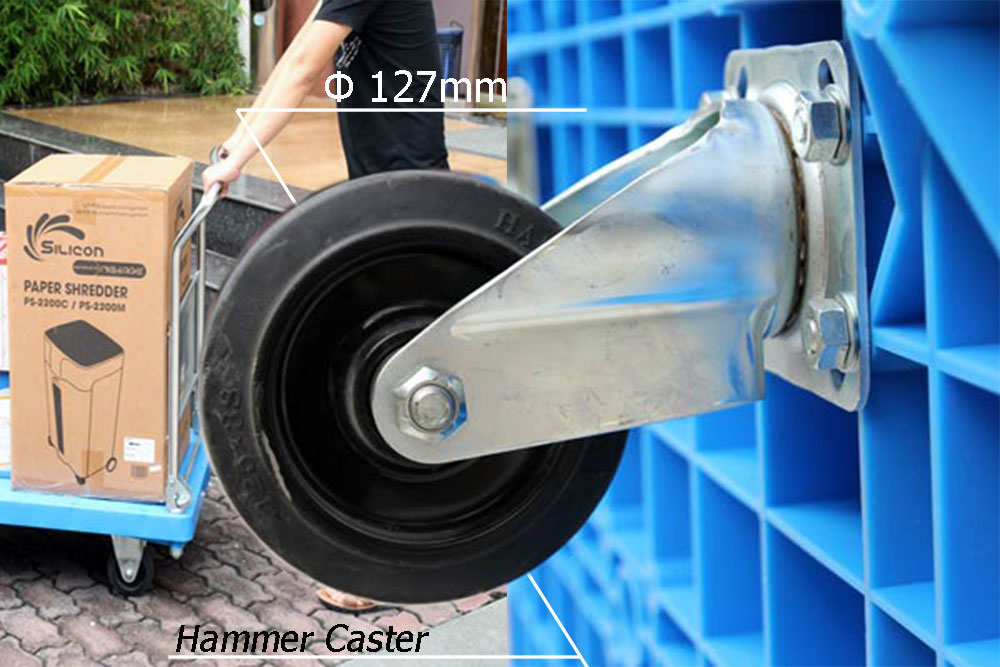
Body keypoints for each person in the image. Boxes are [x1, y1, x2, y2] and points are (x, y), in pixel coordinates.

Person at [204, 0, 451, 612]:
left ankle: (382, 570)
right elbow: (295, 55)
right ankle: (440, 549)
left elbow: (303, 70)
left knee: (389, 387)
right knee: (387, 380)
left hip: (410, 203)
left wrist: (238, 159)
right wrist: (232, 145)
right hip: (388, 197)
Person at [202, 0, 449, 193]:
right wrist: (238, 138)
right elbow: (295, 56)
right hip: (379, 176)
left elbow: (303, 70)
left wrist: (235, 163)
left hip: (408, 179)